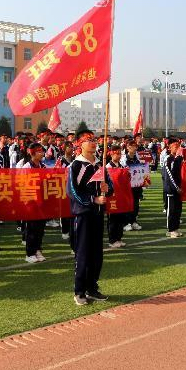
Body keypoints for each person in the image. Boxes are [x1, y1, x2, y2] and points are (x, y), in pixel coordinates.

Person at [67, 130, 113, 306]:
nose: (93, 142)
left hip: (98, 214)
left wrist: (107, 188)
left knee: (96, 254)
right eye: (88, 140)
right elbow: (72, 192)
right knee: (83, 253)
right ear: (80, 144)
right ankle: (79, 291)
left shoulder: (100, 164)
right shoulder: (76, 166)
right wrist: (93, 199)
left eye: (94, 139)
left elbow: (110, 185)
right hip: (83, 215)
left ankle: (92, 288)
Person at [21, 142, 48, 263]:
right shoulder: (26, 167)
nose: (41, 153)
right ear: (32, 153)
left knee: (40, 229)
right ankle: (29, 253)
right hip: (30, 201)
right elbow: (22, 184)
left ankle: (37, 249)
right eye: (39, 151)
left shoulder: (43, 166)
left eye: (42, 151)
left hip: (42, 201)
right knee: (31, 228)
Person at [161, 137, 184, 238]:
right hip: (171, 189)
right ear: (170, 148)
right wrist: (176, 187)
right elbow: (169, 175)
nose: (177, 148)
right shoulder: (168, 159)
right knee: (171, 210)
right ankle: (170, 230)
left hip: (179, 188)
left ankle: (176, 227)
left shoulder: (179, 158)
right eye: (175, 146)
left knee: (178, 209)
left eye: (178, 146)